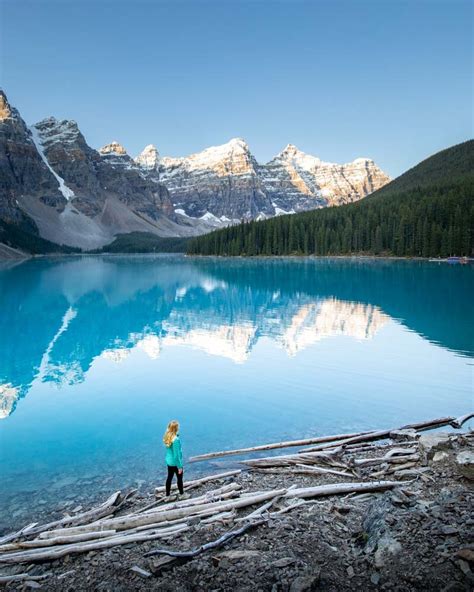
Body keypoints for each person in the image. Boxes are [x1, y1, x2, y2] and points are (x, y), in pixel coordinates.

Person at [163, 419, 184, 497]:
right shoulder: (175, 440)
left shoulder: (167, 437)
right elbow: (176, 455)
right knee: (179, 479)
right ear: (176, 428)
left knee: (169, 478)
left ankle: (167, 495)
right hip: (175, 463)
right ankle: (182, 495)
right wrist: (179, 467)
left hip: (169, 461)